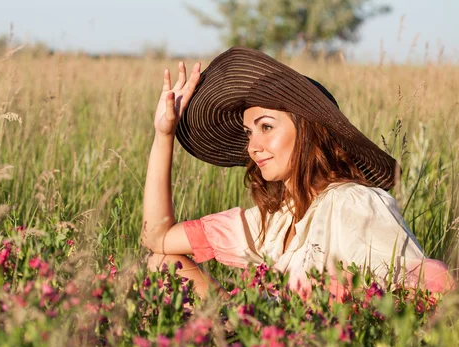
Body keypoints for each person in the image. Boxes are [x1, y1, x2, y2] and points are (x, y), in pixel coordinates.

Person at [141, 47, 455, 301]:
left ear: (308, 131)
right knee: (163, 263)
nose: (253, 147)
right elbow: (157, 237)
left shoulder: (355, 202)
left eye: (266, 127)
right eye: (250, 132)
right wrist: (163, 134)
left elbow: (429, 288)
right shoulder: (275, 218)